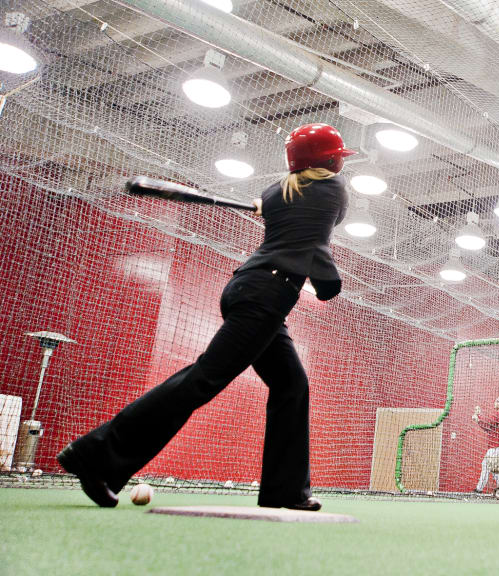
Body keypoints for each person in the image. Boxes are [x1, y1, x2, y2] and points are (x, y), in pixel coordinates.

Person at [57, 123, 355, 510]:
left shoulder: (276, 193)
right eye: (337, 157)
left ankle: (286, 492)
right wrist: (329, 283)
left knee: (291, 386)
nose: (340, 164)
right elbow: (318, 239)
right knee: (202, 380)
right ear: (328, 159)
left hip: (251, 290)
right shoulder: (332, 190)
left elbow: (299, 228)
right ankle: (94, 456)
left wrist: (284, 209)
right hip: (265, 295)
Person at [472, 396, 499, 494]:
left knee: (486, 465)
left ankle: (479, 489)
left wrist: (479, 416)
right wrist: (479, 419)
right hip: (498, 447)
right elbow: (488, 428)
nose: (494, 402)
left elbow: (488, 422)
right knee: (495, 470)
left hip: (496, 447)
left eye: (496, 401)